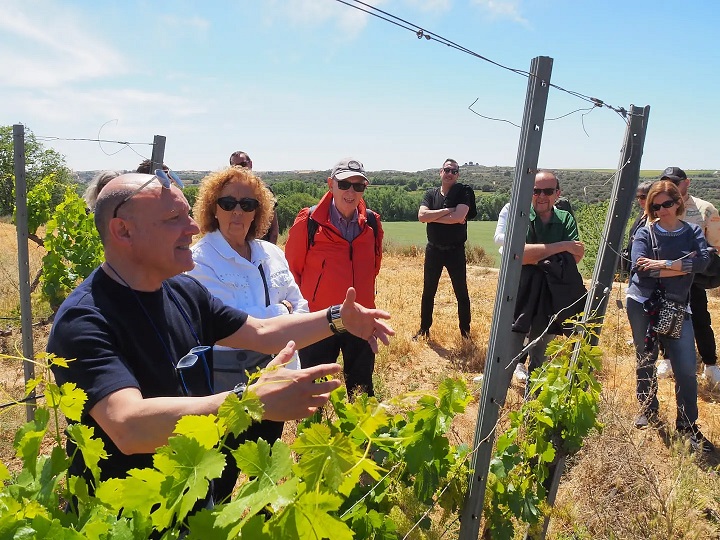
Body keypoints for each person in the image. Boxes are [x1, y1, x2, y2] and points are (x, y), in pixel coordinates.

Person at [47, 172, 393, 500]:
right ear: (123, 231)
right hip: (126, 514)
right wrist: (249, 402)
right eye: (174, 219)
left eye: (188, 215)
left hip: (192, 493)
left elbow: (260, 332)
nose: (193, 227)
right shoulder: (86, 319)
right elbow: (128, 426)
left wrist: (337, 319)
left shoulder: (183, 292)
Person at [187, 166, 308, 499]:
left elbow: (301, 304)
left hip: (279, 374)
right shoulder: (200, 261)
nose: (237, 210)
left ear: (259, 211)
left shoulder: (272, 254)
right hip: (227, 383)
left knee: (266, 465)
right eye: (227, 202)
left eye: (247, 204)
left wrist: (281, 317)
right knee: (222, 471)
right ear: (212, 208)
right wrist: (280, 315)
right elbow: (228, 324)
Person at [626, 180, 714, 452]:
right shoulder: (645, 233)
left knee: (686, 369)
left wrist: (663, 264)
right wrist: (681, 267)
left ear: (678, 203)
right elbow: (640, 269)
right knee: (646, 358)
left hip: (678, 306)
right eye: (655, 205)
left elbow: (702, 262)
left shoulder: (692, 232)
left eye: (667, 203)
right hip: (643, 302)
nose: (661, 209)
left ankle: (687, 424)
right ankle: (647, 409)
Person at [285, 157, 383, 397]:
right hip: (319, 319)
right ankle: (313, 433)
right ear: (331, 184)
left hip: (359, 317)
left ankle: (361, 435)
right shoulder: (308, 222)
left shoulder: (371, 222)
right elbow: (292, 270)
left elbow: (374, 267)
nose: (351, 191)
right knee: (312, 390)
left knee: (361, 390)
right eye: (344, 184)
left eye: (358, 186)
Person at [507, 171, 585, 391]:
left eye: (548, 191)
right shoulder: (521, 217)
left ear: (557, 193)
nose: (541, 196)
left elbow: (576, 257)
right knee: (509, 349)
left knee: (540, 352)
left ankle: (533, 408)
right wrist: (561, 247)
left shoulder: (566, 218)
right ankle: (496, 397)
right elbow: (518, 254)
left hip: (553, 294)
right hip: (521, 292)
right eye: (536, 191)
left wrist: (536, 255)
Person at [655, 167, 720, 387]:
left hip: (693, 276)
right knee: (666, 316)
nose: (671, 186)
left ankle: (710, 365)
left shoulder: (705, 209)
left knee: (700, 318)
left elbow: (717, 246)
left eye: (676, 182)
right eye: (667, 182)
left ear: (687, 182)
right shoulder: (659, 207)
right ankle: (667, 359)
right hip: (666, 275)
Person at [414, 158, 474, 341]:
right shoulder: (430, 194)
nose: (449, 174)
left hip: (455, 251)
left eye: (453, 171)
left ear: (458, 175)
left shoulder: (464, 192)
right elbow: (421, 216)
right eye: (447, 170)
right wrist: (448, 211)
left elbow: (458, 217)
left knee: (461, 293)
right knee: (428, 291)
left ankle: (465, 333)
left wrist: (433, 216)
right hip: (434, 250)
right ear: (440, 172)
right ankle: (424, 329)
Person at [230, 150, 279, 244]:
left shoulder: (265, 190)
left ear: (250, 164)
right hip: (237, 249)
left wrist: (271, 253)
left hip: (261, 248)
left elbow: (274, 229)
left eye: (243, 164)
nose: (239, 169)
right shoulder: (227, 192)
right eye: (235, 166)